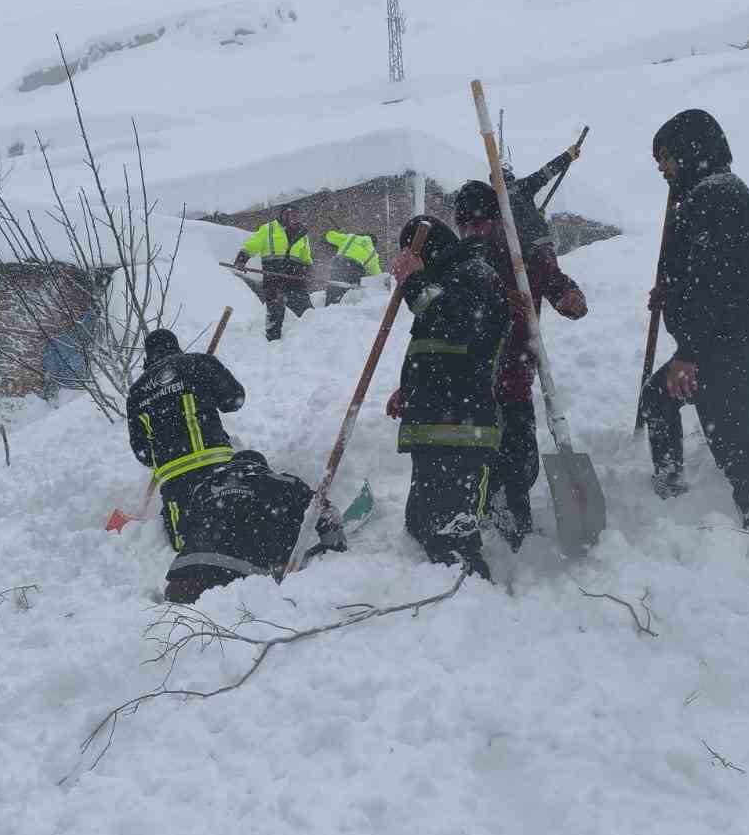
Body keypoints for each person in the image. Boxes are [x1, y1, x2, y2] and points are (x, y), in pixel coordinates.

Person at [639, 108, 749, 534]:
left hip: (726, 345)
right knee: (658, 398)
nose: (661, 167)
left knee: (734, 444)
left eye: (665, 156)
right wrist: (671, 291)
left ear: (690, 150)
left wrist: (689, 353)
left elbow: (715, 286)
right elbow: (703, 274)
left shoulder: (716, 198)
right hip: (725, 341)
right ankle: (670, 486)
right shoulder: (713, 195)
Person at [452, 180, 588, 547]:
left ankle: (515, 525)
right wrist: (496, 302)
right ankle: (494, 522)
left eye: (478, 223)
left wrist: (570, 299)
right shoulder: (458, 263)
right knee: (481, 461)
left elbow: (558, 284)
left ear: (497, 221)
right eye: (463, 225)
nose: (471, 231)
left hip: (514, 380)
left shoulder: (523, 258)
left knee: (522, 459)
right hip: (471, 385)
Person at [385, 215, 508, 580]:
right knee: (421, 527)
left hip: (461, 432)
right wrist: (409, 388)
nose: (404, 262)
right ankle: (435, 598)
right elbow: (434, 349)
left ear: (429, 249)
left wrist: (414, 281)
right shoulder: (444, 282)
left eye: (410, 253)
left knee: (453, 542)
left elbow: (459, 324)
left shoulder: (474, 273)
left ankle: (471, 600)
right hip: (435, 428)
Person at [164, 449, 346, 603]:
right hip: (241, 583)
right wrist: (335, 550)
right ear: (263, 467)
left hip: (183, 580)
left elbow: (184, 528)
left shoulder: (203, 488)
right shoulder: (282, 483)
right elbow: (325, 512)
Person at [126, 327, 246, 550]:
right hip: (217, 462)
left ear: (147, 357)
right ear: (176, 347)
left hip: (175, 477)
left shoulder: (136, 392)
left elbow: (142, 452)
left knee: (187, 544)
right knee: (238, 526)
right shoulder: (199, 363)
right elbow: (234, 399)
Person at [233, 203, 313, 340]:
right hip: (273, 277)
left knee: (307, 313)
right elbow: (253, 245)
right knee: (275, 312)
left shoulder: (302, 234)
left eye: (295, 215)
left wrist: (307, 271)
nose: (292, 218)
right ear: (282, 215)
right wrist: (242, 259)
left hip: (295, 279)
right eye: (289, 214)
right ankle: (272, 342)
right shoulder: (268, 229)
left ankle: (312, 339)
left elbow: (306, 257)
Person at [502, 140, 584, 253]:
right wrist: (567, 156)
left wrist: (534, 215)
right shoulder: (521, 187)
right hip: (538, 244)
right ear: (510, 176)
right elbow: (545, 173)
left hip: (516, 251)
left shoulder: (492, 200)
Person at [321, 227, 381, 305]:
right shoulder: (373, 253)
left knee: (334, 286)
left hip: (340, 262)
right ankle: (346, 308)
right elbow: (376, 274)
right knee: (350, 293)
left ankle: (330, 306)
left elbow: (329, 236)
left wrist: (337, 233)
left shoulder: (351, 237)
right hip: (357, 269)